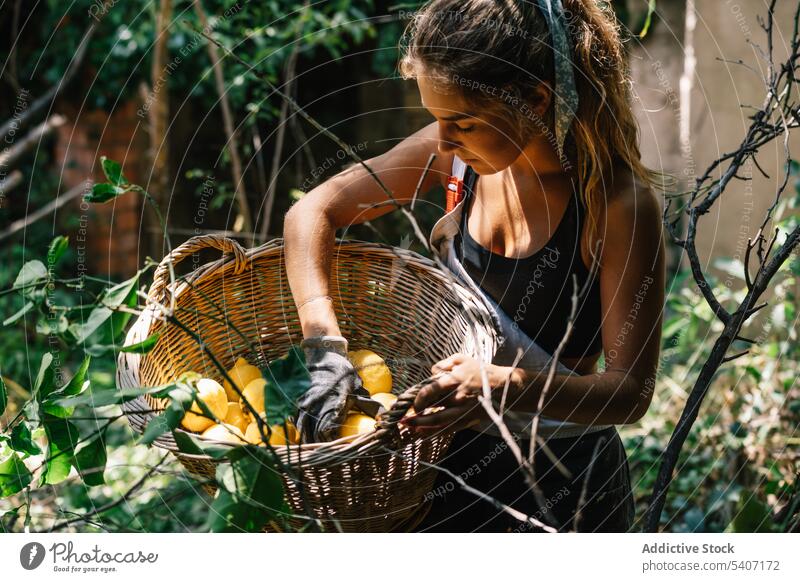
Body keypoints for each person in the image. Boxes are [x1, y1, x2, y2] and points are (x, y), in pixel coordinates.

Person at [283, 0, 666, 532]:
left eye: (461, 121)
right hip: (441, 474)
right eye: (436, 119)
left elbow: (629, 392)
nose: (442, 139)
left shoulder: (614, 207)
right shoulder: (458, 160)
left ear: (534, 100)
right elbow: (314, 210)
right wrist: (325, 347)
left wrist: (498, 385)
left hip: (563, 490)